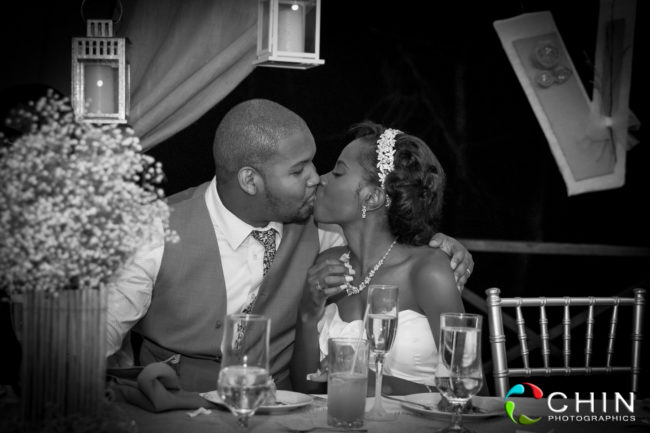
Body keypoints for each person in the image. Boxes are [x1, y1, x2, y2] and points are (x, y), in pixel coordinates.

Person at [107, 99, 473, 392]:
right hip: (174, 405)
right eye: (298, 171)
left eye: (319, 165)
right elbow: (100, 333)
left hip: (283, 409)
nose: (316, 179)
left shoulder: (320, 228)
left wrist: (441, 245)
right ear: (250, 180)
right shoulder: (154, 228)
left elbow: (382, 239)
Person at [291, 122, 464, 395]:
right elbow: (306, 387)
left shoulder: (427, 271)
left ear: (372, 198)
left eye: (337, 172)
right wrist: (308, 311)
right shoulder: (328, 264)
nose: (321, 179)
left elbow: (468, 389)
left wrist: (369, 381)